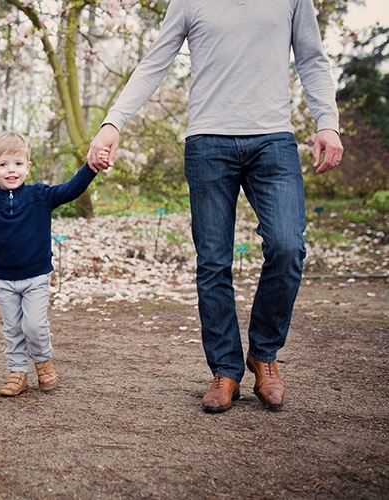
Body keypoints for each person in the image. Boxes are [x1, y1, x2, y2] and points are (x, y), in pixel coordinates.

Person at [88, 0, 344, 412]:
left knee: (287, 247)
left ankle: (264, 355)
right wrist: (112, 122)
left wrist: (326, 122)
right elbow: (155, 62)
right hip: (208, 143)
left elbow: (312, 59)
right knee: (212, 261)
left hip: (273, 140)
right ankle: (225, 369)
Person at [0, 132, 99, 396]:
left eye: (18, 164)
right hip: (3, 279)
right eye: (3, 165)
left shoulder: (40, 196)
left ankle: (44, 363)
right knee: (12, 328)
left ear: (28, 167)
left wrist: (90, 168)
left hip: (36, 277)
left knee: (33, 325)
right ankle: (18, 371)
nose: (11, 170)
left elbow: (71, 189)